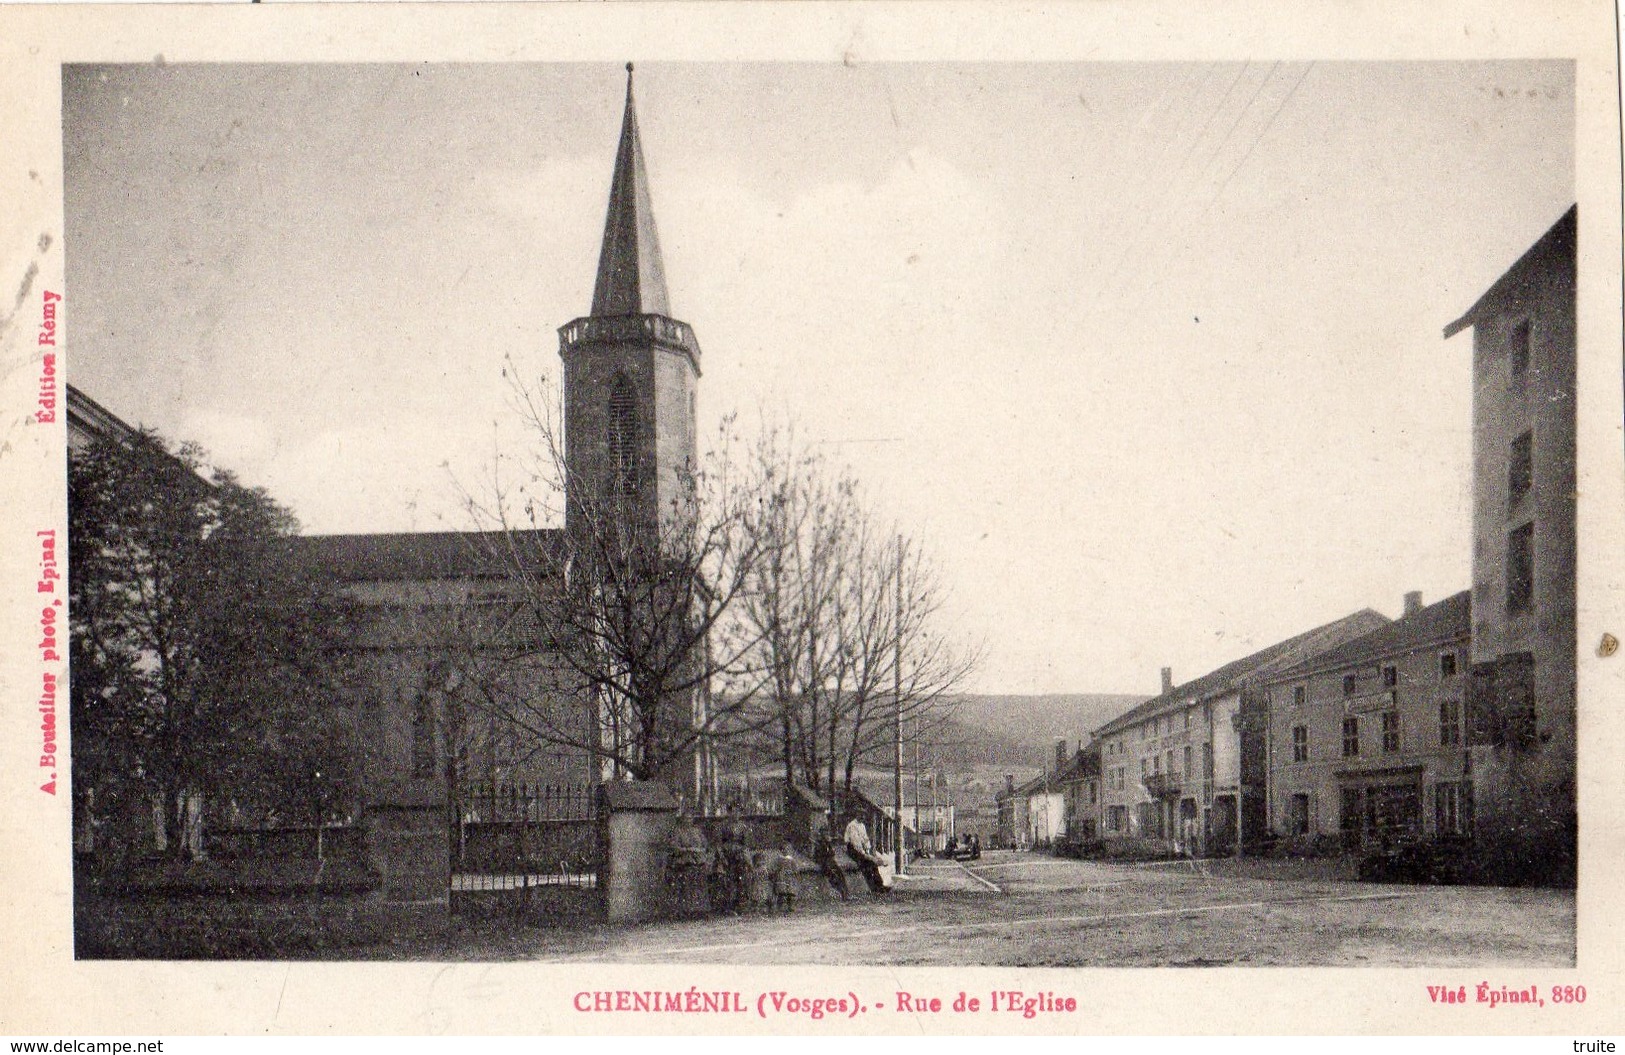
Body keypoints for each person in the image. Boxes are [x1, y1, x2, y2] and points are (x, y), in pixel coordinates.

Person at [843, 811, 887, 893]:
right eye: (861, 815)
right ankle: (873, 888)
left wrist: (868, 850)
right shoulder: (852, 826)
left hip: (861, 849)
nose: (863, 817)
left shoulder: (862, 825)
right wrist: (864, 854)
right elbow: (856, 842)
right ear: (857, 815)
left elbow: (865, 839)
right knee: (867, 864)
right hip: (853, 849)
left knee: (872, 864)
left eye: (864, 816)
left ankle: (880, 886)